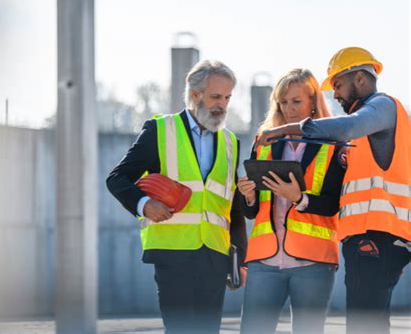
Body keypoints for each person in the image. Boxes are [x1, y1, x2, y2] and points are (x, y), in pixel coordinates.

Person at [257, 47, 410, 334]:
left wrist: (284, 130)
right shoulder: (371, 126)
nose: (335, 94)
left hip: (376, 239)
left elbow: (349, 126)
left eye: (338, 84)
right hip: (372, 242)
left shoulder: (383, 106)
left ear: (361, 79)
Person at [106, 59, 247, 334]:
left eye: (228, 97)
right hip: (173, 255)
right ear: (195, 95)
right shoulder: (160, 130)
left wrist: (238, 259)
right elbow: (117, 178)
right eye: (216, 96)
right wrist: (144, 205)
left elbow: (233, 207)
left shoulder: (231, 142)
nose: (223, 104)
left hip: (215, 257)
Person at [238, 68, 345, 334]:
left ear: (313, 102)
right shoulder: (264, 143)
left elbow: (335, 203)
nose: (289, 109)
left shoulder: (334, 145)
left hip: (314, 262)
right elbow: (251, 212)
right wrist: (248, 196)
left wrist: (299, 198)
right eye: (283, 102)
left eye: (296, 101)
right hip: (265, 261)